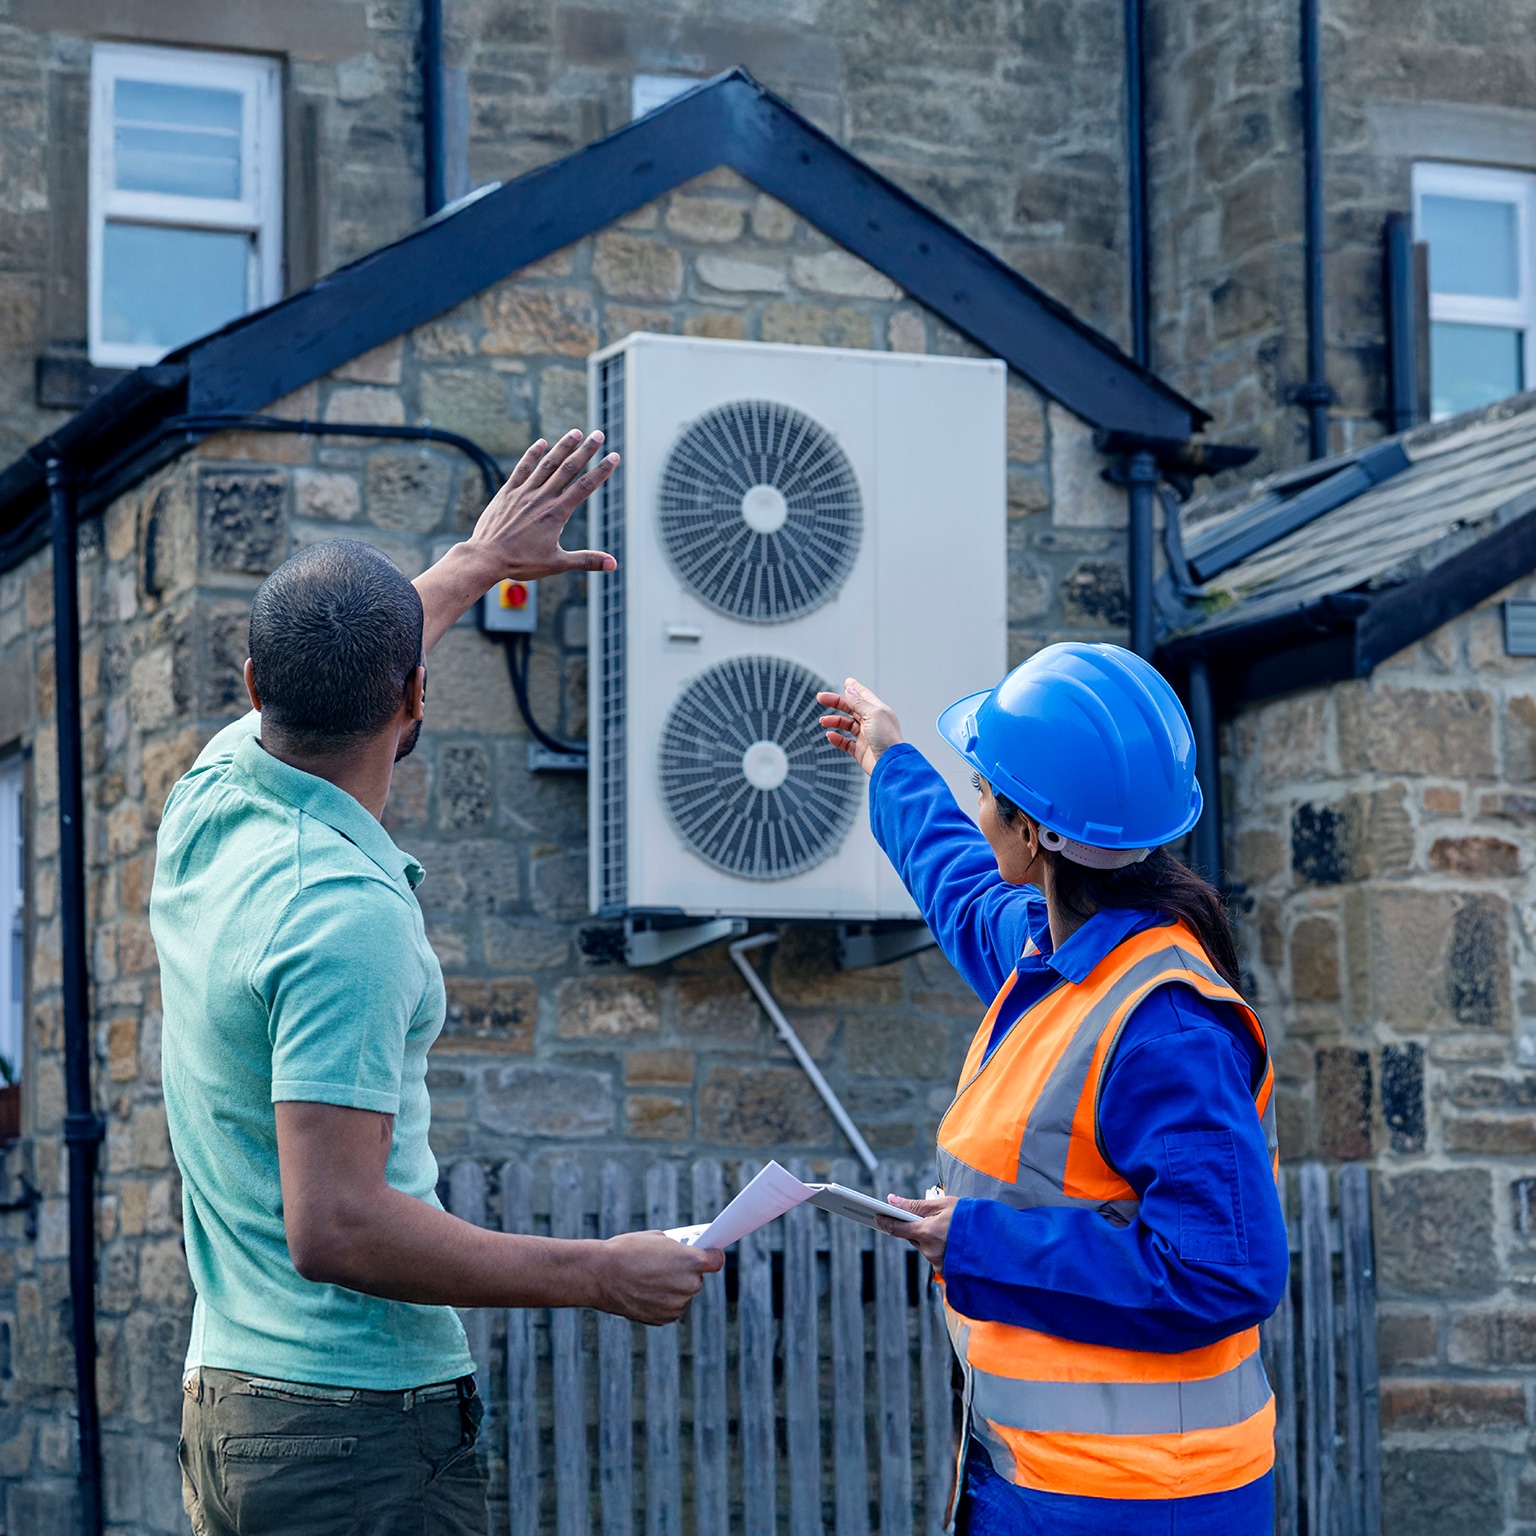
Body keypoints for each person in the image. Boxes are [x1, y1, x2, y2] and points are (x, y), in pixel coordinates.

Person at [153, 430, 723, 1536]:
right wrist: (600, 1273)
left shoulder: (211, 796)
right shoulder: (343, 917)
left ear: (254, 684)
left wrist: (476, 560)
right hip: (351, 1436)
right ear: (420, 694)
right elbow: (341, 1226)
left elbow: (349, 656)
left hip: (239, 1403)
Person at [817, 643, 1288, 1536]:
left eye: (984, 789)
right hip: (1038, 1477)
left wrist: (978, 1241)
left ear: (1033, 835)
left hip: (1143, 1505)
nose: (977, 803)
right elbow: (958, 882)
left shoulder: (1169, 1029)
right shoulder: (1058, 954)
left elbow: (1225, 1272)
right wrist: (888, 762)